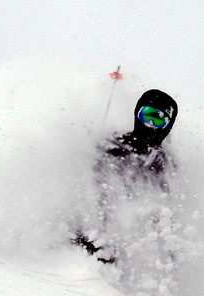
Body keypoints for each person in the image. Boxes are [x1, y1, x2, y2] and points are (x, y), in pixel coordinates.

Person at [73, 89, 179, 263]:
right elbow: (87, 183)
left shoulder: (167, 163)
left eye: (159, 120)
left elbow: (172, 208)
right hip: (99, 230)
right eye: (147, 116)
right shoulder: (113, 144)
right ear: (137, 114)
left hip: (141, 242)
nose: (151, 124)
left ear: (167, 126)